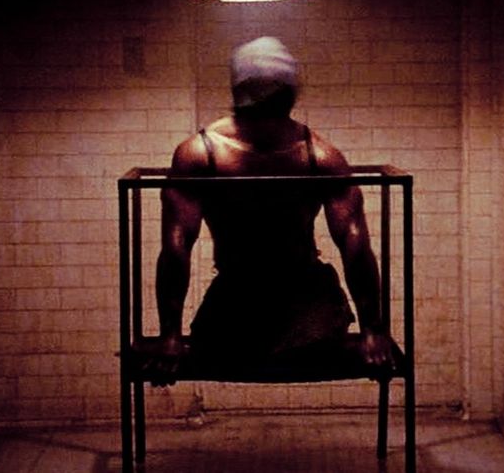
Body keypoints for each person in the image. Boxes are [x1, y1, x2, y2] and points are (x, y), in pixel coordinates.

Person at [145, 36, 395, 385]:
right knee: (225, 339)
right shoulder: (202, 154)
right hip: (238, 294)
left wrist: (373, 329)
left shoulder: (317, 156)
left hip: (305, 297)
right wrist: (169, 335)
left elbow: (355, 246)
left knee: (297, 336)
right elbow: (176, 247)